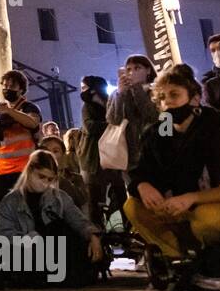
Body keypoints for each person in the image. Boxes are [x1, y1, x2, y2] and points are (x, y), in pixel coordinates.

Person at [123, 64, 220, 273]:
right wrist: (143, 185)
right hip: (176, 207)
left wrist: (190, 198)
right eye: (161, 98)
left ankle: (214, 256)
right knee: (132, 207)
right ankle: (176, 258)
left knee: (206, 221)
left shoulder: (216, 129)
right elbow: (142, 169)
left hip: (212, 206)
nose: (167, 102)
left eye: (174, 95)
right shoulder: (157, 132)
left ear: (194, 98)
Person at [0, 149, 105, 287]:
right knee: (55, 228)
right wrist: (32, 239)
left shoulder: (59, 198)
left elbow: (78, 220)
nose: (45, 183)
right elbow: (4, 235)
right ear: (29, 171)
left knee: (62, 228)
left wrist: (93, 236)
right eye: (41, 177)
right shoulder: (10, 202)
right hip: (27, 254)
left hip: (54, 253)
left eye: (50, 179)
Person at [0, 69, 43, 205]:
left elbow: (33, 123)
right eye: (5, 86)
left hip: (25, 170)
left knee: (28, 209)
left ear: (21, 89)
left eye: (12, 86)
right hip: (1, 171)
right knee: (3, 211)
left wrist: (9, 112)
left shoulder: (29, 107)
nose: (7, 89)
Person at [76, 75, 124, 224]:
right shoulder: (87, 107)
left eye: (84, 87)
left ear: (94, 88)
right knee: (94, 199)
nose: (82, 91)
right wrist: (111, 125)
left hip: (113, 156)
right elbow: (89, 127)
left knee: (121, 194)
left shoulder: (111, 103)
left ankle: (128, 229)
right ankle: (97, 234)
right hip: (93, 159)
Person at [106, 55, 159, 186]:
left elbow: (152, 116)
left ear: (148, 70)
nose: (132, 72)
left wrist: (137, 89)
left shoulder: (156, 90)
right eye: (128, 69)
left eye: (137, 68)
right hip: (128, 155)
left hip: (154, 151)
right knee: (136, 194)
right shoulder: (118, 93)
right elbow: (113, 120)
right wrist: (120, 94)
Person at [39, 134, 90, 217]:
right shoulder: (34, 181)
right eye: (46, 151)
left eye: (55, 151)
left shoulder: (76, 178)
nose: (51, 155)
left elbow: (82, 204)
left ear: (63, 154)